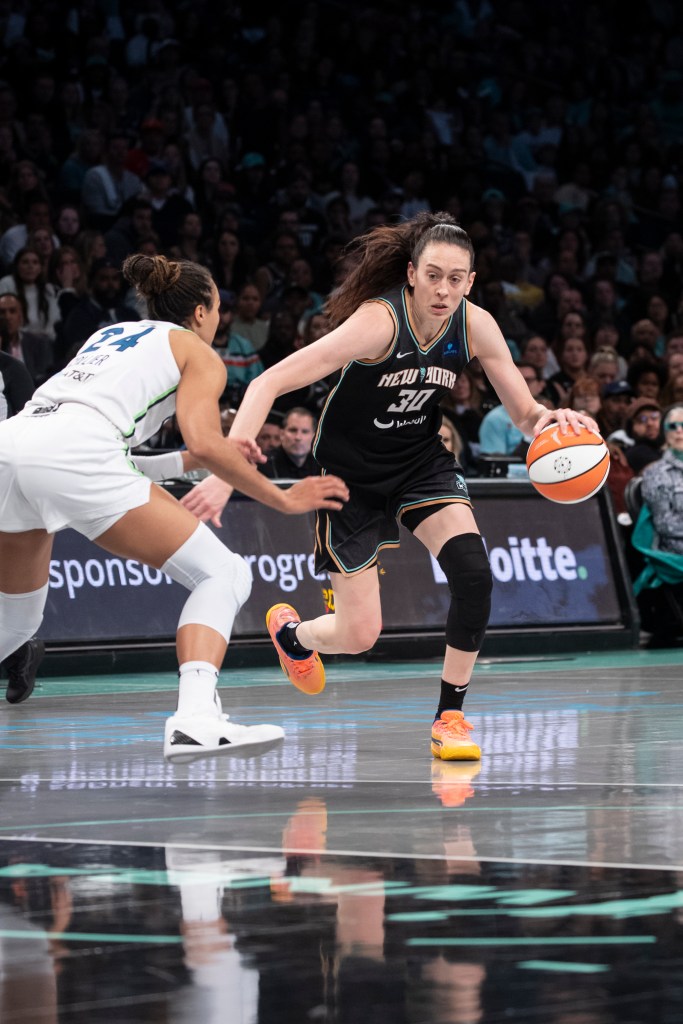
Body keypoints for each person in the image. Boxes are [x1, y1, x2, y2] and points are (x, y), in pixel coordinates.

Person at [180, 212, 595, 762]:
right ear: (410, 274)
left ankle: (450, 716)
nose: (443, 289)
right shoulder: (378, 323)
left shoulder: (478, 326)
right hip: (347, 476)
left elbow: (525, 415)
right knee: (360, 636)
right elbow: (267, 381)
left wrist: (554, 420)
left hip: (420, 462)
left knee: (474, 574)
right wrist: (226, 473)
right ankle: (294, 637)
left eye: (456, 278)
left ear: (470, 281)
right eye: (433, 275)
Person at [0, 253, 348, 759]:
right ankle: (196, 719)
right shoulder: (198, 351)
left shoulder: (111, 335)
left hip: (12, 446)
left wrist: (198, 459)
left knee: (16, 622)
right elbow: (203, 443)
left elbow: (113, 452)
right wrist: (281, 496)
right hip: (73, 454)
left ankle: (198, 718)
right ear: (204, 311)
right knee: (223, 574)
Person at [640, 404, 683, 554]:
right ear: (665, 432)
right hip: (674, 553)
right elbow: (664, 524)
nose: (679, 430)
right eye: (673, 426)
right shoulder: (655, 473)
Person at [259, 407, 318, 479]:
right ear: (282, 434)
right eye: (293, 430)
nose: (298, 437)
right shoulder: (264, 463)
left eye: (305, 432)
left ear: (314, 436)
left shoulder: (322, 465)